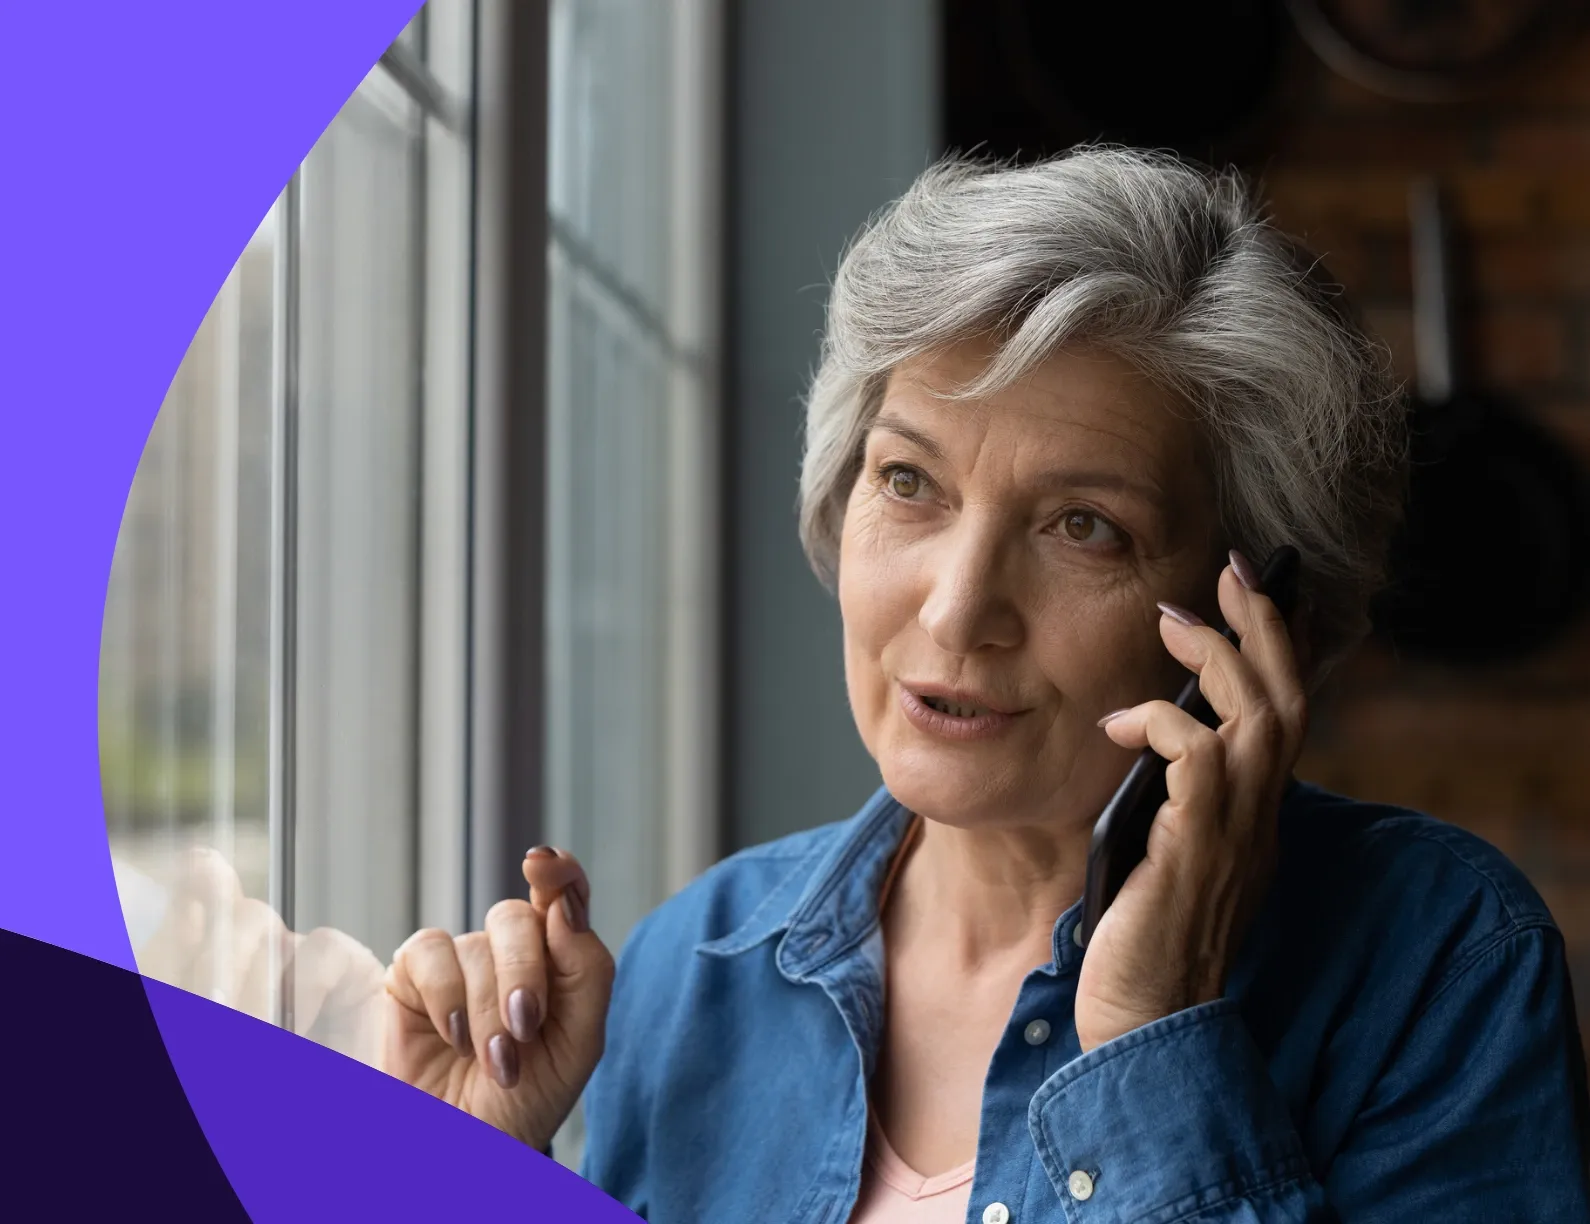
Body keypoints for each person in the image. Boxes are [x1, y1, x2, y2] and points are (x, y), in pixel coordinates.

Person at [139, 147, 1590, 1221]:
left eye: (1082, 526)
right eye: (909, 483)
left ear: (1249, 605)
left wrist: (1154, 1038)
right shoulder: (693, 966)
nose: (957, 609)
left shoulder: (1437, 960)